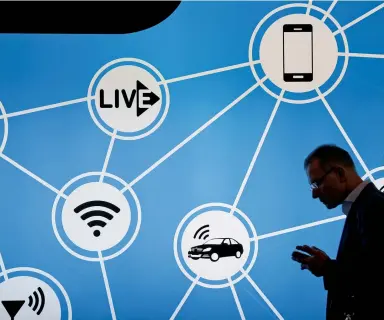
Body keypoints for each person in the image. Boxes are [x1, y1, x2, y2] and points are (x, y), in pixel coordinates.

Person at [291, 144, 384, 320]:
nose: (315, 194)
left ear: (340, 174)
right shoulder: (364, 207)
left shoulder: (373, 207)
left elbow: (375, 281)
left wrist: (328, 268)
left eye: (317, 183)